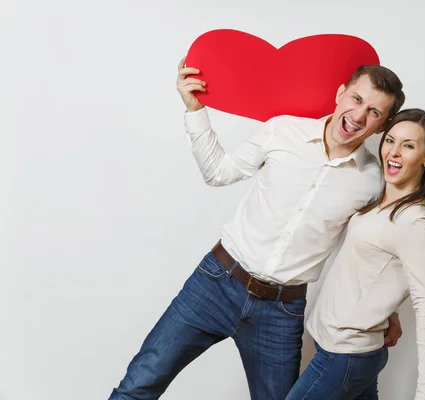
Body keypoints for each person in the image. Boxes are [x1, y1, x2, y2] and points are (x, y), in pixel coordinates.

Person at [108, 57, 406, 400]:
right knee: (140, 384)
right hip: (215, 283)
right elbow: (218, 173)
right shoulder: (282, 130)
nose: (358, 115)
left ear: (383, 126)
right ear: (340, 94)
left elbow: (364, 252)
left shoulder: (372, 181)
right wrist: (194, 110)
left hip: (281, 312)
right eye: (357, 99)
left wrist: (387, 308)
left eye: (374, 112)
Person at [285, 108, 425, 400]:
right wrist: (390, 310)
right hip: (343, 348)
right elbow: (380, 269)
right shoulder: (381, 200)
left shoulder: (415, 221)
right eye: (390, 140)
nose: (394, 152)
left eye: (408, 146)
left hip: (346, 354)